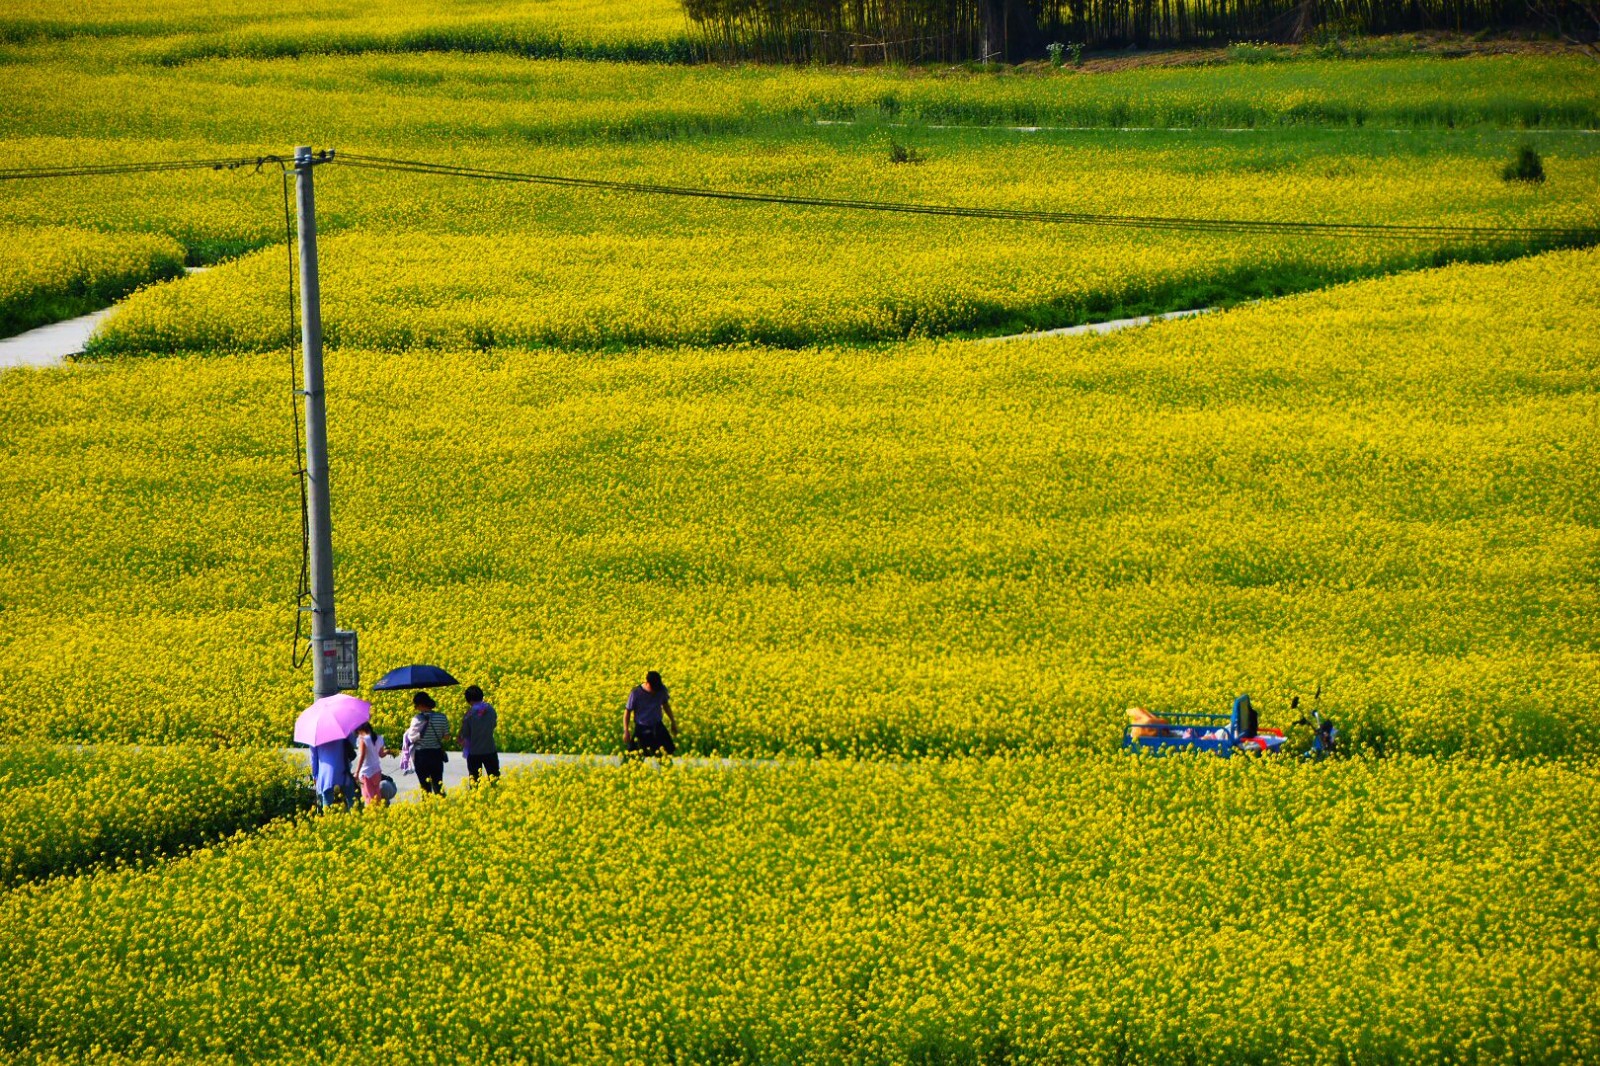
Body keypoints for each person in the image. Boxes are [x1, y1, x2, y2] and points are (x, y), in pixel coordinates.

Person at [405, 692, 452, 795]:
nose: (416, 708)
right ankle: (442, 806)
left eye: (416, 705)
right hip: (436, 754)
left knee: (425, 787)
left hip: (421, 756)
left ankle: (427, 808)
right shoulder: (441, 717)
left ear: (421, 705)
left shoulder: (416, 719)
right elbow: (447, 736)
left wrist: (420, 735)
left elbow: (411, 738)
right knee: (438, 783)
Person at [624, 670, 677, 757]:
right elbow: (627, 711)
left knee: (669, 751)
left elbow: (666, 705)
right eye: (653, 687)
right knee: (634, 756)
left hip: (657, 726)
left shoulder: (661, 689)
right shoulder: (636, 693)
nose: (655, 691)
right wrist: (626, 730)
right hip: (641, 728)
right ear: (647, 682)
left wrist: (673, 722)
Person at [458, 684, 500, 782]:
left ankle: (476, 797)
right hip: (490, 749)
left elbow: (465, 733)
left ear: (469, 700)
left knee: (475, 780)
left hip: (474, 752)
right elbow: (494, 724)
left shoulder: (469, 715)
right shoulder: (491, 710)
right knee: (494, 778)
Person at [309, 734, 355, 811]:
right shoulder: (341, 729)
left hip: (325, 773)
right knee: (351, 797)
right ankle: (355, 818)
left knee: (327, 799)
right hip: (343, 768)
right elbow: (353, 742)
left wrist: (315, 775)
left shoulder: (314, 734)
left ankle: (327, 821)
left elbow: (314, 758)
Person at [352, 721, 391, 807]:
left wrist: (357, 772)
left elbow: (362, 756)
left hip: (366, 773)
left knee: (368, 797)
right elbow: (381, 754)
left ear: (361, 730)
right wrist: (388, 751)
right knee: (377, 795)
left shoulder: (364, 739)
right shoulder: (379, 738)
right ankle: (379, 813)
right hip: (377, 772)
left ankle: (372, 816)